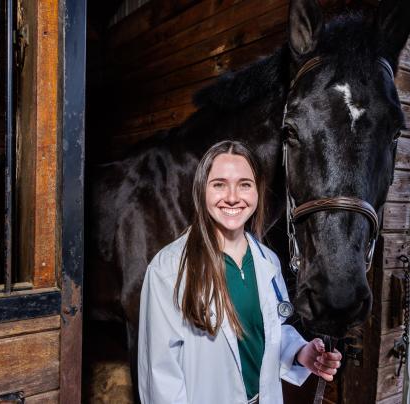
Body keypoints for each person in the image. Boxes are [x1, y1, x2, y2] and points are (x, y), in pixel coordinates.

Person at [138, 140, 342, 404]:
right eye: (219, 184)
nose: (233, 197)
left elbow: (268, 330)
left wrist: (300, 351)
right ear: (202, 190)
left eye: (244, 184)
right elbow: (160, 376)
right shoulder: (168, 269)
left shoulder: (267, 261)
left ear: (257, 192)